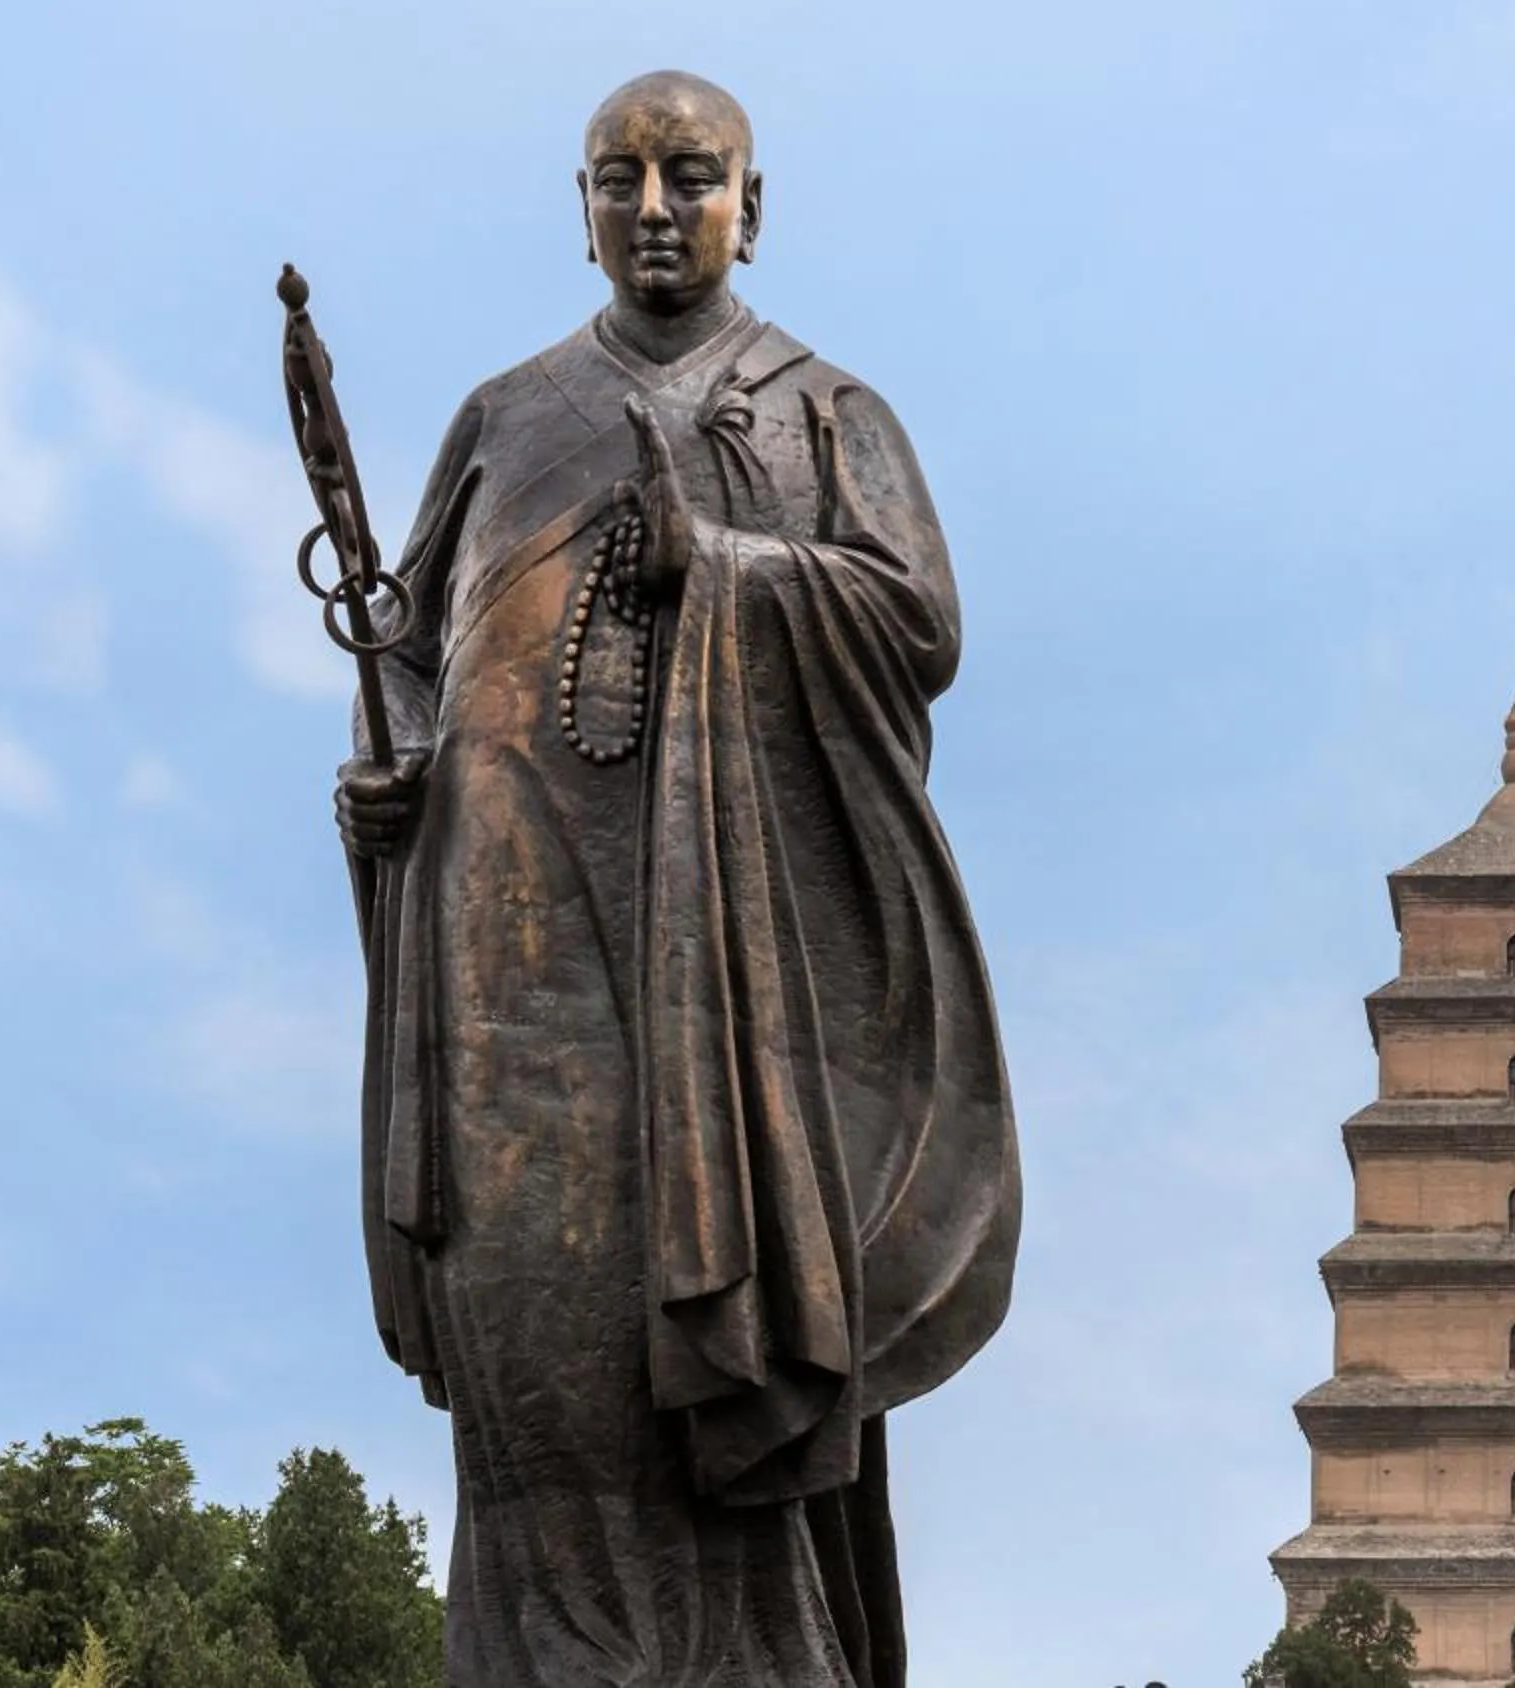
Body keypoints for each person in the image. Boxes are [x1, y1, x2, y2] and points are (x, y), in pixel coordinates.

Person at [331, 69, 1018, 1688]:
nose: (653, 207)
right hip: (510, 980)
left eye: (690, 175)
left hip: (729, 989)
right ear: (578, 209)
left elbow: (918, 625)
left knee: (711, 1347)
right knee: (532, 1344)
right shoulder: (504, 420)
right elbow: (413, 663)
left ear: (750, 205)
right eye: (618, 179)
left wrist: (720, 564)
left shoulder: (818, 410)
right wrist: (385, 779)